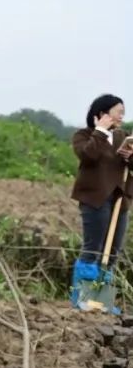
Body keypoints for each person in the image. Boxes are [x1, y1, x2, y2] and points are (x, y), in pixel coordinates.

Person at [69, 94, 132, 310]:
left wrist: (129, 156)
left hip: (119, 202)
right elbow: (88, 156)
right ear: (102, 114)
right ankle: (83, 299)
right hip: (94, 199)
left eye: (123, 113)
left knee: (112, 252)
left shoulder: (123, 136)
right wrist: (101, 131)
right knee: (93, 249)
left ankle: (102, 301)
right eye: (118, 112)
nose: (121, 117)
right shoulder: (84, 136)